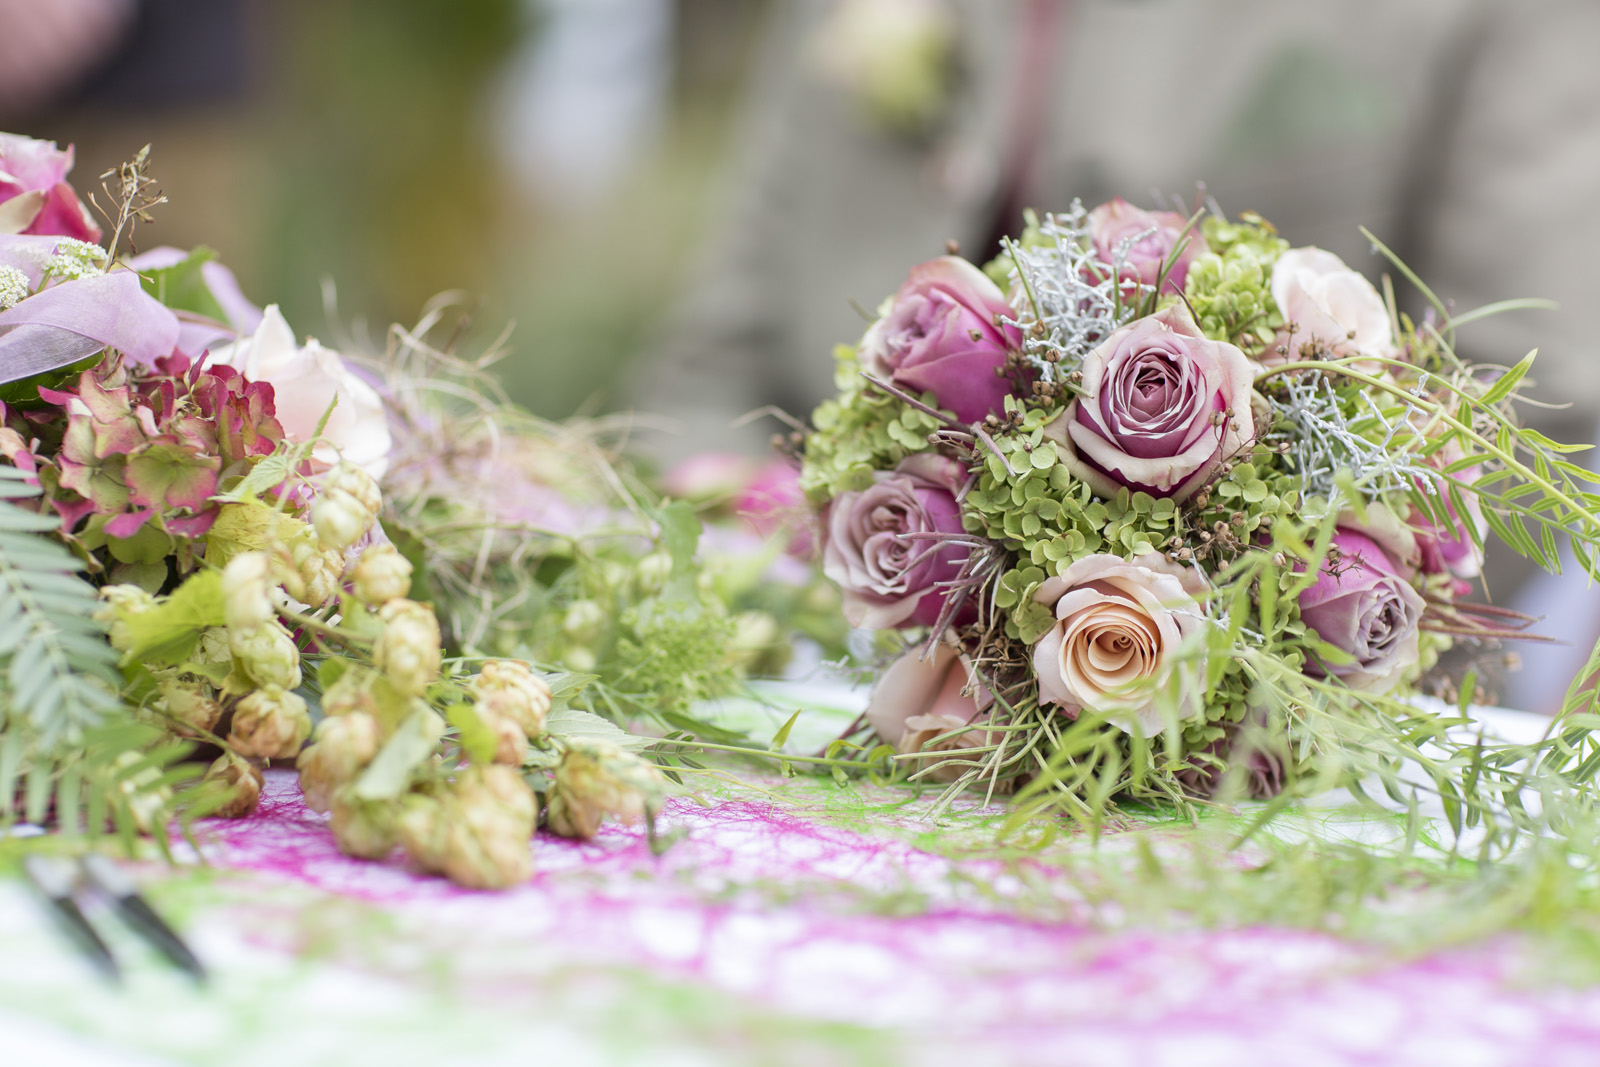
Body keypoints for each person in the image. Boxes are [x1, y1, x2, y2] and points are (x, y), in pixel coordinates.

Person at [639, 0, 1600, 710]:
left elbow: (1530, 392)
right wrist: (761, 548)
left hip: (1254, 742)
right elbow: (709, 367)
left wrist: (1201, 663)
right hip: (788, 684)